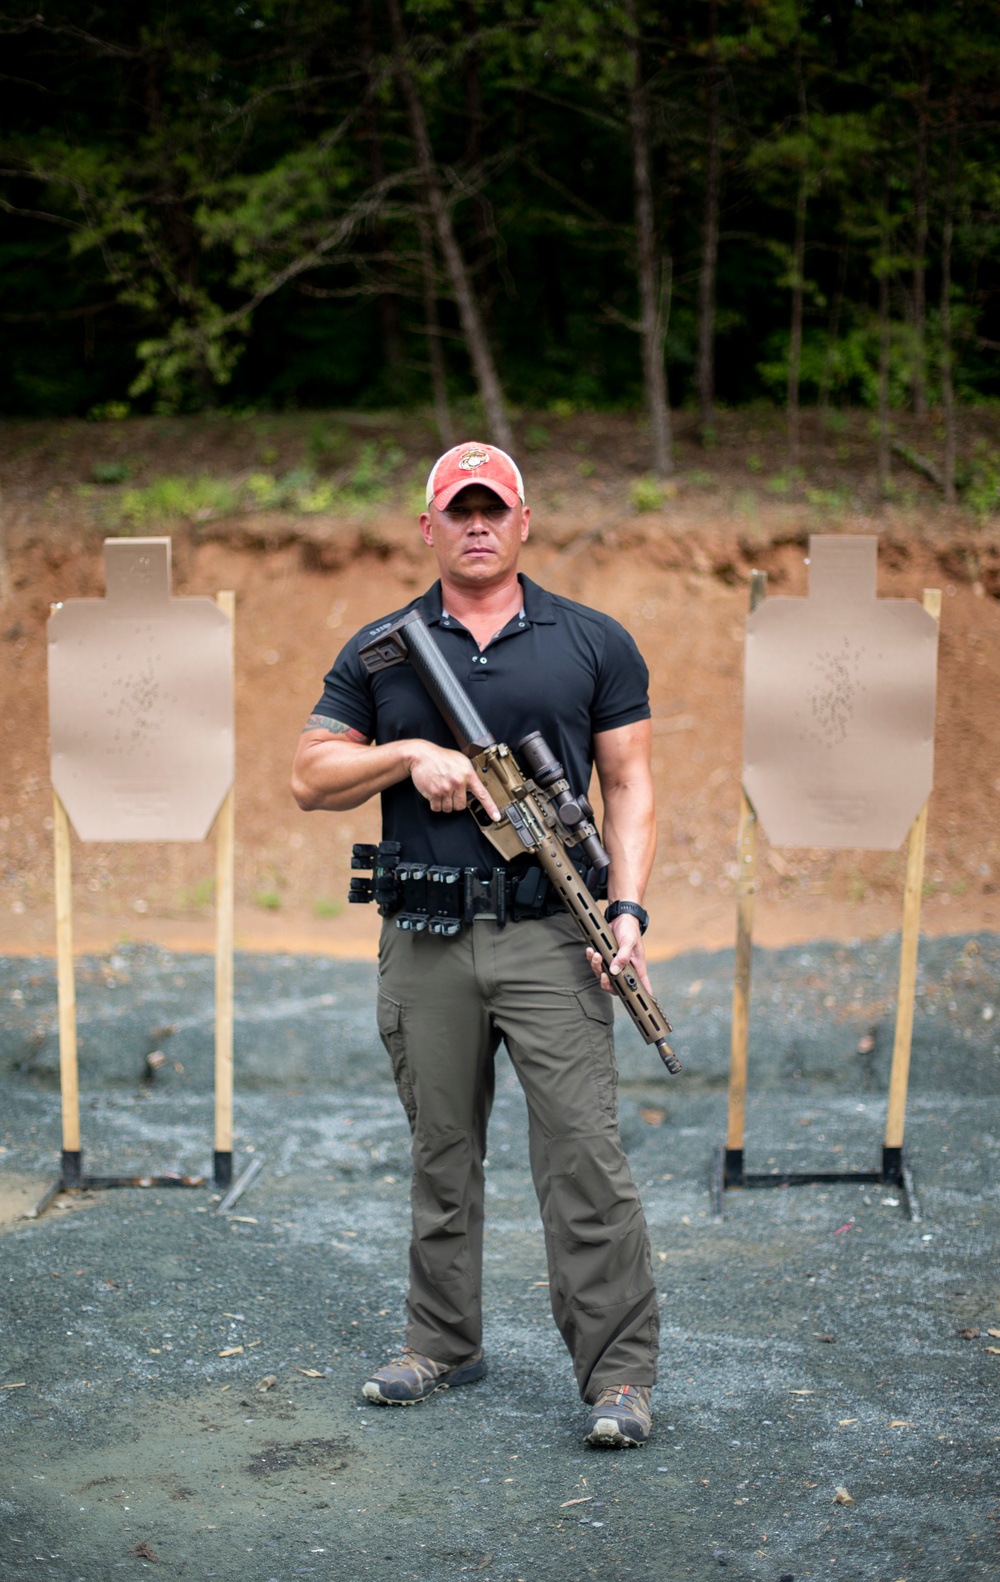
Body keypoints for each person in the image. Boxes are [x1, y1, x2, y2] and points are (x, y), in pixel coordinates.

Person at [291, 441, 660, 1448]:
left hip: (551, 933)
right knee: (440, 1151)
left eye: (494, 508)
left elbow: (626, 785)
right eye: (459, 510)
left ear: (525, 522)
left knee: (584, 1156)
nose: (478, 524)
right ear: (428, 527)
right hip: (425, 937)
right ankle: (441, 1341)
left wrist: (625, 910)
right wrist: (408, 755)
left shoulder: (591, 642)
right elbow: (309, 774)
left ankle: (618, 1375)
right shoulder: (381, 648)